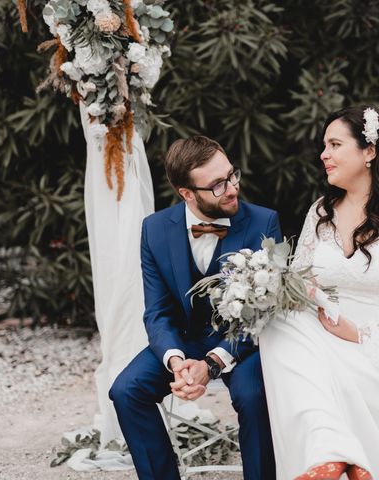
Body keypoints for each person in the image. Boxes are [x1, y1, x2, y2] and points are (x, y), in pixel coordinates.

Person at [259, 105, 379, 480]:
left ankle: (338, 456)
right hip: (327, 328)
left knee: (305, 356)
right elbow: (299, 285)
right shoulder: (320, 211)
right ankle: (331, 455)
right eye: (324, 146)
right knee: (279, 324)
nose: (324, 154)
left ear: (369, 151)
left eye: (335, 144)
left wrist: (360, 333)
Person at [110, 135, 280, 480]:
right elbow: (157, 311)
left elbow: (265, 311)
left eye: (232, 175)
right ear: (187, 194)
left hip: (243, 347)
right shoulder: (155, 229)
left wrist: (212, 364)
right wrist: (176, 361)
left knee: (254, 394)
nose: (232, 189)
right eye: (217, 185)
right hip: (184, 343)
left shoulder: (263, 223)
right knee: (126, 390)